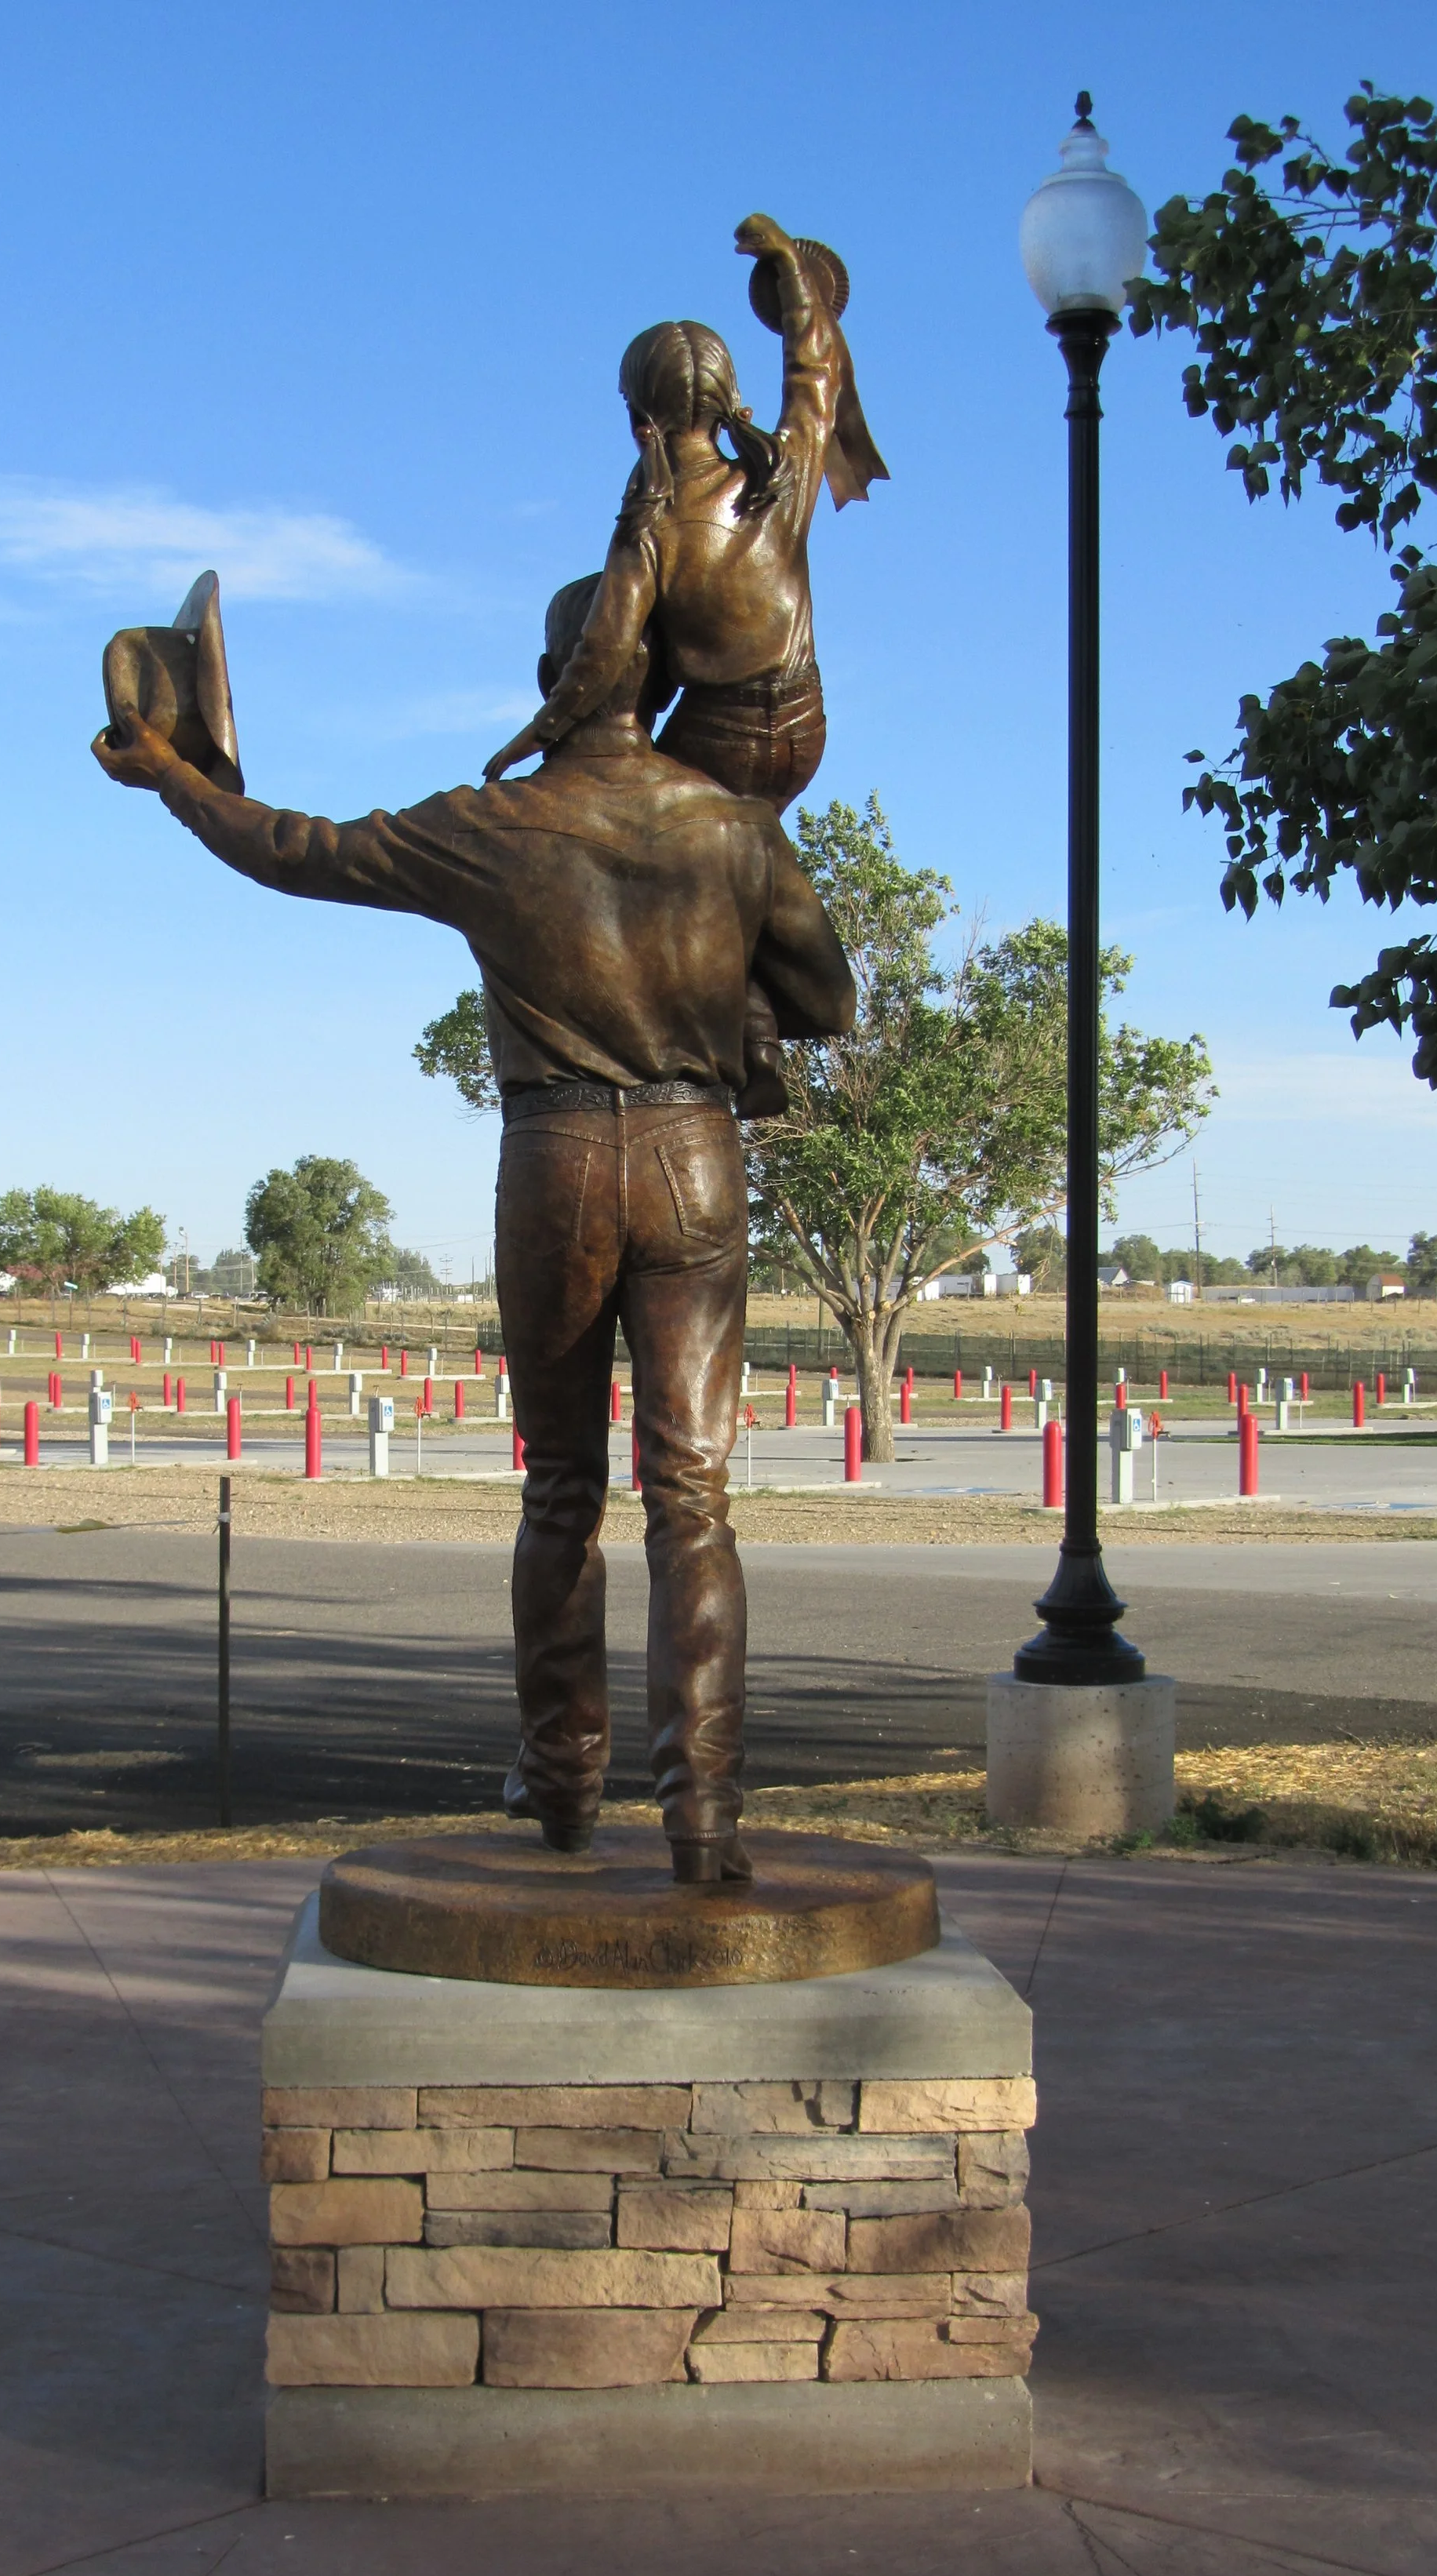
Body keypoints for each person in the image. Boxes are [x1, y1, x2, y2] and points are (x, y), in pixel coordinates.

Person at [93, 577, 853, 1884]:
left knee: (563, 1488)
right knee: (695, 1499)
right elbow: (830, 995)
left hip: (556, 1158)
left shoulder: (500, 822)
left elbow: (295, 848)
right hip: (696, 1160)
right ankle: (706, 1810)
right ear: (658, 674)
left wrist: (172, 773)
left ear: (552, 673)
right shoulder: (734, 828)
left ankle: (563, 1779)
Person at [480, 213, 886, 812]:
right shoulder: (782, 476)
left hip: (723, 740)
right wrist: (793, 274)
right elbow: (815, 376)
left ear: (637, 414)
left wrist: (536, 734)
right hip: (805, 728)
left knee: (637, 830)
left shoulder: (648, 520)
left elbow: (602, 650)